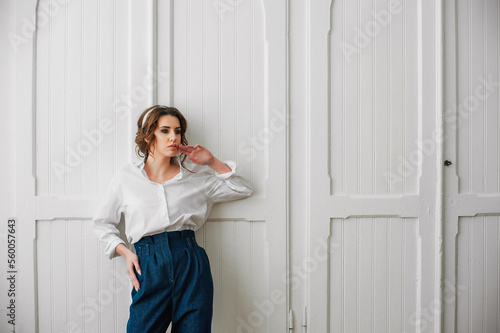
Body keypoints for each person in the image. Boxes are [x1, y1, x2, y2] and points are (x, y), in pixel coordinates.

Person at [92, 105, 253, 333]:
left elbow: (243, 188)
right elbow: (102, 222)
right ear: (149, 136)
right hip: (148, 262)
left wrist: (212, 162)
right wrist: (125, 252)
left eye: (177, 131)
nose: (174, 138)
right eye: (165, 131)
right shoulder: (126, 178)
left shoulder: (196, 178)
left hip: (190, 260)